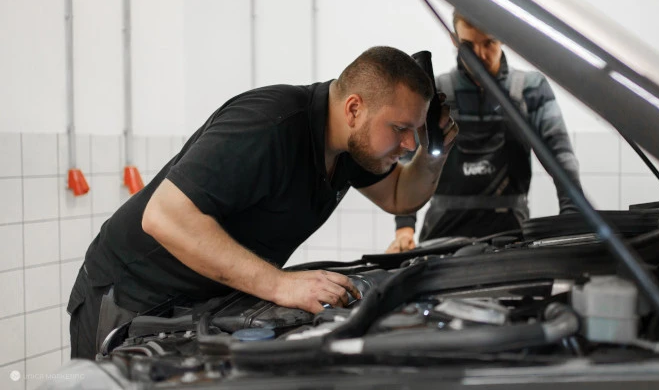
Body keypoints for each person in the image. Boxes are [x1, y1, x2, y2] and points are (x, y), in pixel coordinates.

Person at [67, 46, 458, 359]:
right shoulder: (269, 124)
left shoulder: (348, 152)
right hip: (131, 297)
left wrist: (432, 153)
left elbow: (398, 196)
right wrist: (279, 284)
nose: (409, 143)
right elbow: (164, 216)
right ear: (354, 109)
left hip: (205, 303)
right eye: (400, 129)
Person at [386, 11, 581, 253]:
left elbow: (560, 156)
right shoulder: (437, 93)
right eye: (468, 46)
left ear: (503, 38)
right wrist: (405, 228)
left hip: (513, 238)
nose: (479, 56)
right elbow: (407, 163)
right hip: (441, 238)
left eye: (489, 43)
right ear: (454, 39)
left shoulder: (531, 90)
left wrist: (571, 214)